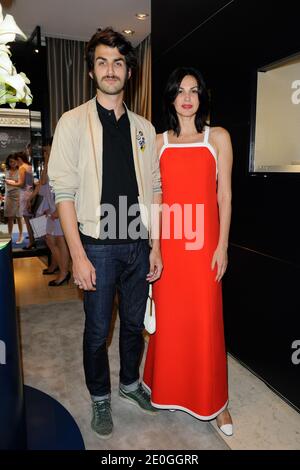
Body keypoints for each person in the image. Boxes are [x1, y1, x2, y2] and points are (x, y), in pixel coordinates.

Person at [48, 28, 163, 439]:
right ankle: (100, 396)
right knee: (98, 331)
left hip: (137, 243)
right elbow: (63, 192)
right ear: (91, 71)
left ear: (128, 72)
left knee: (134, 325)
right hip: (95, 246)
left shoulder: (144, 129)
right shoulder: (72, 122)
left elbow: (156, 189)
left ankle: (130, 384)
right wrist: (77, 256)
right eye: (102, 62)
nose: (110, 70)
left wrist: (156, 246)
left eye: (118, 62)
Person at [143, 67, 234, 436]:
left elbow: (224, 196)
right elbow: (155, 197)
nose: (187, 97)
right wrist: (155, 248)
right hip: (169, 249)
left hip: (204, 251)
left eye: (194, 90)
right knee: (170, 324)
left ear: (202, 97)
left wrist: (223, 245)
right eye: (180, 90)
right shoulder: (158, 141)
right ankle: (164, 388)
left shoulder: (218, 138)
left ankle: (218, 404)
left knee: (207, 323)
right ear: (170, 96)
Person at [29, 141, 71, 286]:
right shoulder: (51, 164)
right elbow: (43, 181)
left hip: (59, 208)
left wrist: (59, 210)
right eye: (45, 152)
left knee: (58, 241)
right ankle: (61, 270)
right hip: (53, 208)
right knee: (52, 240)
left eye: (47, 151)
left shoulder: (62, 162)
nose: (45, 154)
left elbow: (67, 187)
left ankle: (64, 272)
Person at [5, 151, 35, 249]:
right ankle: (32, 239)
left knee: (26, 219)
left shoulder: (22, 167)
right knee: (30, 220)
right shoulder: (29, 166)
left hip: (24, 195)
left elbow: (21, 184)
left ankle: (31, 242)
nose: (15, 164)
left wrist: (10, 182)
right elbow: (29, 183)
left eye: (16, 161)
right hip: (30, 193)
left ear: (19, 159)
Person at [4, 154, 23, 243]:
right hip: (9, 195)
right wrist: (13, 182)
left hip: (18, 195)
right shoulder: (6, 170)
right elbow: (6, 182)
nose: (12, 163)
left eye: (13, 161)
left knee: (19, 216)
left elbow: (20, 183)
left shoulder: (20, 170)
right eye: (10, 161)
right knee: (10, 217)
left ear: (17, 161)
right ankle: (10, 235)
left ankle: (20, 235)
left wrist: (11, 182)